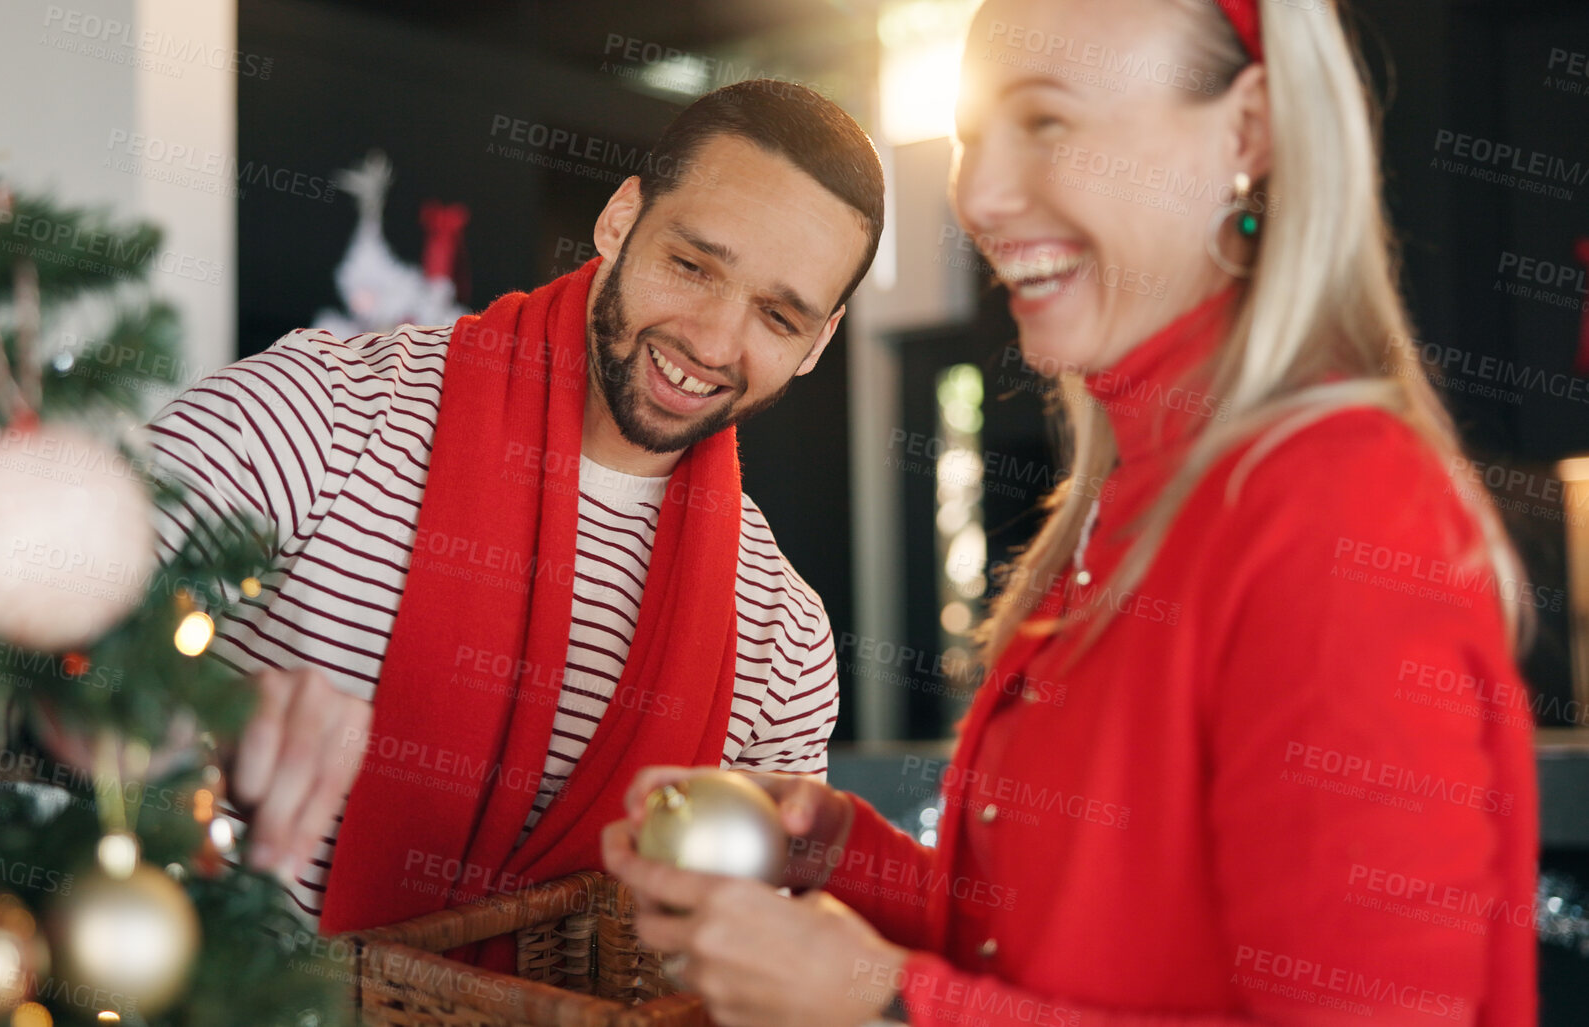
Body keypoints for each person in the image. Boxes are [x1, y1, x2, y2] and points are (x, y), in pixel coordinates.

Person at [605, 1, 1539, 1024]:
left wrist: (884, 1003)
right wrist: (837, 855)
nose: (978, 194)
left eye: (1047, 121)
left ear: (1248, 131)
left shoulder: (1336, 511)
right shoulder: (1130, 495)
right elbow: (1063, 947)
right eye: (973, 136)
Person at [141, 79, 883, 937]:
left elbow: (751, 954)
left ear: (819, 341)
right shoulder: (318, 414)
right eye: (691, 266)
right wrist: (203, 713)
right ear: (619, 221)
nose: (713, 341)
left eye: (778, 316)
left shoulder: (784, 639)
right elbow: (25, 637)